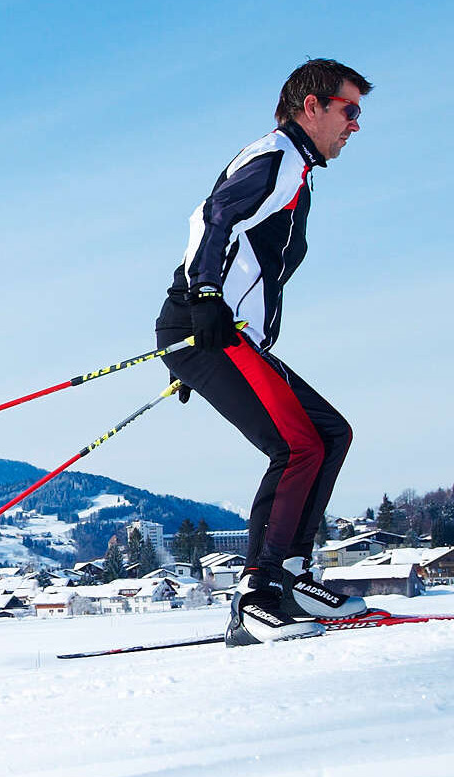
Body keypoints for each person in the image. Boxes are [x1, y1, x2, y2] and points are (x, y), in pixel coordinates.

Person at [157, 59, 375, 646]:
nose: (355, 125)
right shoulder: (277, 156)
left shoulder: (296, 168)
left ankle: (295, 577)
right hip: (207, 327)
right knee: (296, 445)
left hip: (228, 336)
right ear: (313, 106)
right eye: (348, 110)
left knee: (330, 433)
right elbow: (214, 216)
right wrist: (202, 300)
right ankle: (259, 592)